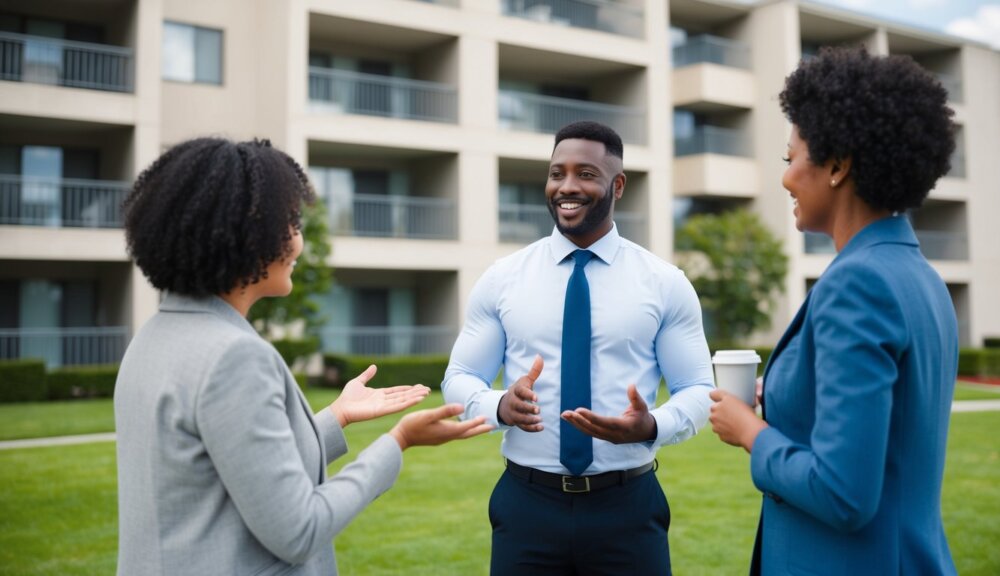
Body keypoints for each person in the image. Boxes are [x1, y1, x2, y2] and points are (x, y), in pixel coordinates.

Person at [114, 137, 492, 576]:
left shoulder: (153, 337)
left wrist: (337, 417)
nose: (297, 243)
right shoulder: (233, 357)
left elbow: (237, 463)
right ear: (246, 237)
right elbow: (298, 530)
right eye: (289, 223)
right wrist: (397, 442)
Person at [708, 46, 959, 575]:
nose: (785, 178)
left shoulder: (858, 283)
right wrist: (780, 401)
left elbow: (844, 493)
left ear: (839, 165)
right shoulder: (919, 276)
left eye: (790, 157)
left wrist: (748, 431)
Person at [442, 121, 715, 575]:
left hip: (628, 507)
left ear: (618, 185)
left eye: (586, 174)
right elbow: (458, 378)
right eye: (557, 173)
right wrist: (499, 406)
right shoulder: (502, 279)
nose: (567, 187)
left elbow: (698, 388)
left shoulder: (665, 284)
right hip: (526, 505)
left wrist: (651, 425)